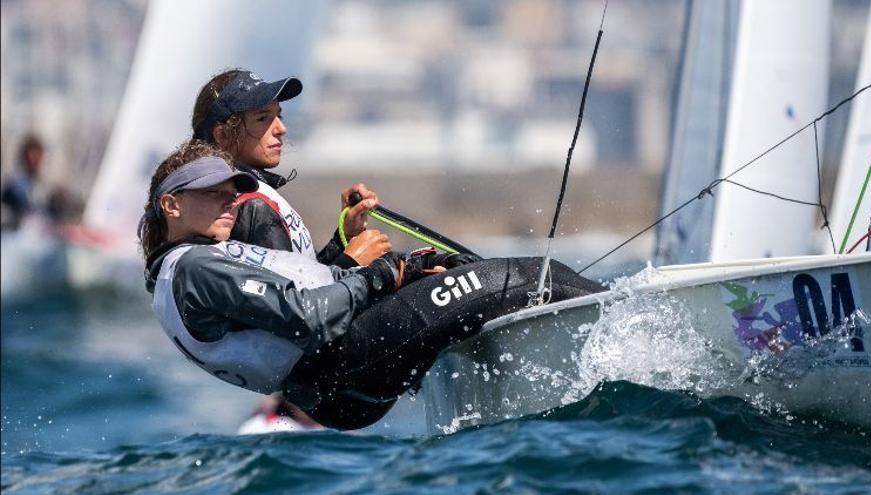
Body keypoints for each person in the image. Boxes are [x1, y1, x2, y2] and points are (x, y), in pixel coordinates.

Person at [141, 142, 602, 430]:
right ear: (171, 205)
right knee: (516, 277)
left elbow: (312, 285)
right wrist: (382, 274)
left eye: (230, 191)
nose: (228, 201)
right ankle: (621, 315)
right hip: (343, 368)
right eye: (211, 192)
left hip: (338, 380)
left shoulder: (201, 261)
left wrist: (403, 270)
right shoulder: (194, 269)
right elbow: (307, 316)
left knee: (451, 267)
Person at [190, 68, 388, 268]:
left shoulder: (235, 197)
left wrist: (345, 236)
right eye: (262, 118)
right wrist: (353, 261)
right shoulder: (250, 206)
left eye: (279, 116)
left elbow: (306, 277)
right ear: (223, 135)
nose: (281, 129)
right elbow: (288, 297)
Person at [2, 134, 47, 229]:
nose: (37, 160)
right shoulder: (14, 182)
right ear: (25, 155)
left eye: (39, 155)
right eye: (33, 155)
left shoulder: (39, 183)